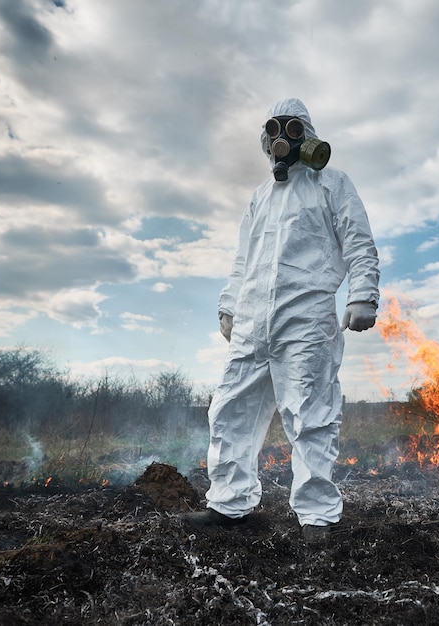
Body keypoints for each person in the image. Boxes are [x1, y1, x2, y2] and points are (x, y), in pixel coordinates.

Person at [184, 98, 380, 543]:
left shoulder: (332, 183)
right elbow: (243, 259)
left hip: (305, 318)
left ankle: (316, 517)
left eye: (292, 129)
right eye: (274, 130)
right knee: (230, 410)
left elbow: (358, 240)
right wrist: (229, 304)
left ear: (306, 134)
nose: (281, 139)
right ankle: (229, 505)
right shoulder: (259, 196)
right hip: (254, 319)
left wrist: (363, 294)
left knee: (309, 412)